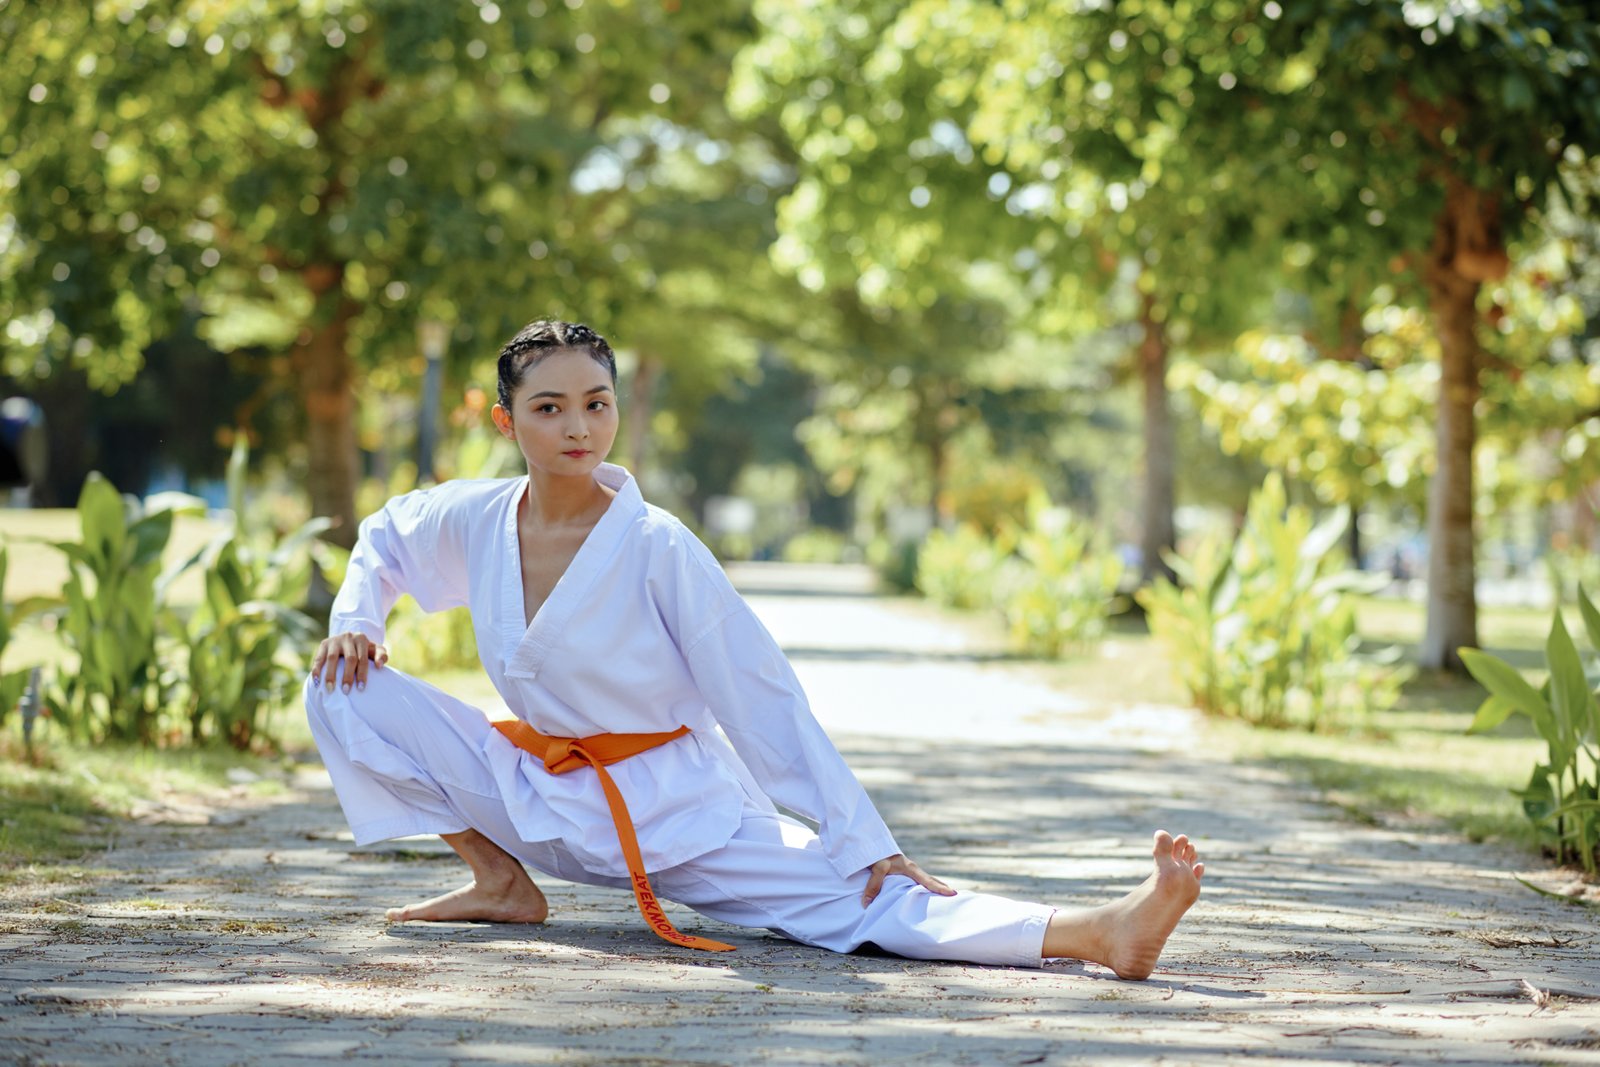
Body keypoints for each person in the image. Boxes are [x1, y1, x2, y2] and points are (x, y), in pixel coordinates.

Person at [304, 319, 1203, 978]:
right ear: (508, 423)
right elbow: (386, 534)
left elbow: (760, 695)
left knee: (855, 906)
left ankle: (1098, 930)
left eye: (595, 403)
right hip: (532, 787)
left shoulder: (657, 545)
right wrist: (361, 618)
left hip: (672, 816)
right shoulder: (477, 516)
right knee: (340, 685)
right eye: (549, 407)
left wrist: (860, 834)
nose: (577, 427)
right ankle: (499, 880)